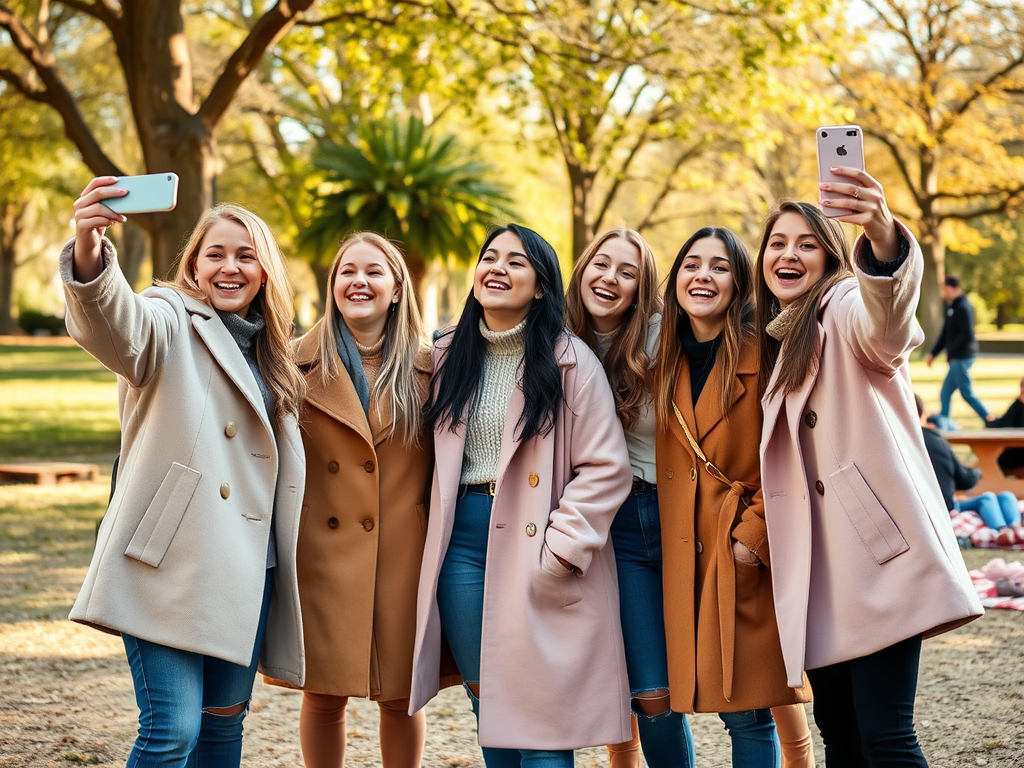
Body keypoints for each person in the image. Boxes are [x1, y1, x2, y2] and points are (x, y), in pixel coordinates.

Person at [61, 177, 307, 766]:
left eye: (245, 255)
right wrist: (90, 248)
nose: (229, 267)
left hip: (250, 568)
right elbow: (118, 327)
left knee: (222, 731)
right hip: (170, 561)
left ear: (265, 271)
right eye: (214, 254)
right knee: (171, 730)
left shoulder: (278, 356)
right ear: (193, 267)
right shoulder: (169, 316)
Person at [754, 170, 984, 767]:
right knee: (840, 734)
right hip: (822, 572)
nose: (788, 254)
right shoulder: (777, 339)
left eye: (806, 243)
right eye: (777, 243)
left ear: (831, 257)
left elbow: (888, 327)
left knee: (885, 735)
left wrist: (881, 235)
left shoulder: (844, 306)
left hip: (876, 560)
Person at [409, 224, 634, 767]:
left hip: (537, 544)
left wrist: (561, 550)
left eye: (516, 262)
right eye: (490, 257)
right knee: (489, 700)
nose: (497, 269)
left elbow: (606, 467)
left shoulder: (570, 361)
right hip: (461, 545)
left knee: (540, 711)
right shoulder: (443, 357)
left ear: (540, 286)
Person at [266, 233, 442, 767]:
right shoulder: (289, 364)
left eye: (373, 272)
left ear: (396, 289)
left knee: (400, 695)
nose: (358, 282)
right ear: (332, 284)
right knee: (323, 693)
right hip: (322, 551)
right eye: (347, 272)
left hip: (403, 551)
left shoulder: (435, 369)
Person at [652, 226, 812, 768]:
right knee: (657, 698)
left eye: (719, 267)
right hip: (670, 553)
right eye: (691, 264)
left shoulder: (765, 355)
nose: (702, 276)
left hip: (734, 548)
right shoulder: (656, 360)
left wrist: (752, 539)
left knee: (747, 709)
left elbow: (794, 456)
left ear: (740, 283)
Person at [565, 229, 696, 768]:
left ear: (642, 288)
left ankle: (798, 749)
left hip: (660, 511)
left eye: (627, 272)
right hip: (593, 516)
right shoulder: (557, 338)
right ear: (581, 269)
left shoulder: (665, 336)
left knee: (684, 690)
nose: (610, 279)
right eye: (602, 264)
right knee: (631, 688)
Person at [916, 393, 1021, 531]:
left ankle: (1009, 529)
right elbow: (964, 480)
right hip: (943, 506)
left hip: (927, 506)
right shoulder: (936, 440)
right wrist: (977, 474)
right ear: (922, 413)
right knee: (989, 498)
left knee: (1005, 496)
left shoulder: (898, 442)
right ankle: (1007, 529)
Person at [925, 274, 992, 429]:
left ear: (952, 288)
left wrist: (952, 350)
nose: (943, 292)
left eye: (944, 288)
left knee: (966, 393)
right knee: (945, 393)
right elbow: (945, 334)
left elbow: (967, 334)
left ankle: (989, 419)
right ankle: (944, 423)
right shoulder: (952, 307)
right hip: (955, 358)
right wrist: (933, 353)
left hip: (962, 357)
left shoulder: (963, 307)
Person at [986, 376, 1024, 478]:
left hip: (1017, 453)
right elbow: (1004, 423)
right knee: (989, 457)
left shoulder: (1018, 407)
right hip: (1014, 451)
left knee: (992, 460)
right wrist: (991, 422)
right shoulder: (1017, 406)